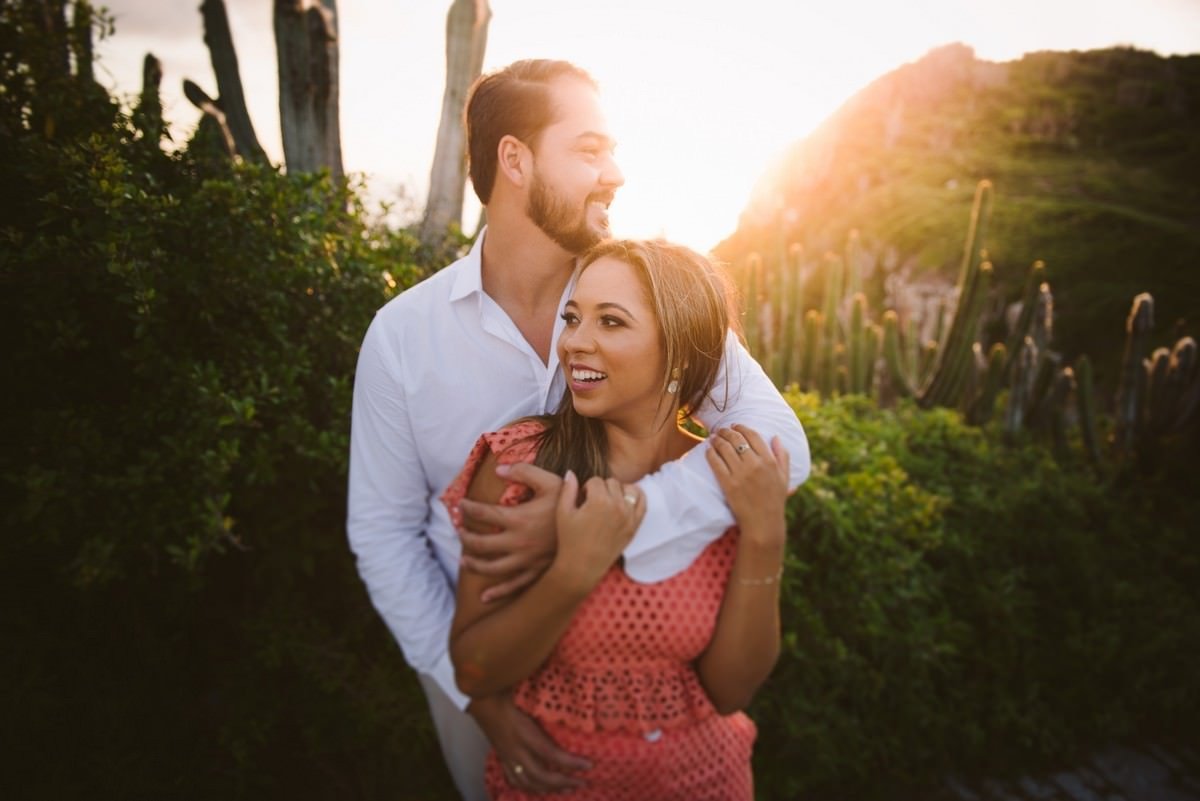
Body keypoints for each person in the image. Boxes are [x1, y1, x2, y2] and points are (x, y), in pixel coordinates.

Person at [347, 59, 810, 800]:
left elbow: (781, 449)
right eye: (590, 149)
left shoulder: (645, 292)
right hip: (472, 656)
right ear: (515, 160)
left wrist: (608, 526)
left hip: (660, 675)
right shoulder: (403, 335)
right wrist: (477, 695)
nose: (616, 173)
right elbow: (383, 530)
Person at [444, 239, 792, 800]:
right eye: (574, 317)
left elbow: (729, 692)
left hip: (709, 783)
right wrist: (573, 571)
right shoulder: (520, 464)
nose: (575, 343)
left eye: (611, 322)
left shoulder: (721, 479)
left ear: (678, 352)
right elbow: (475, 672)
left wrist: (765, 534)